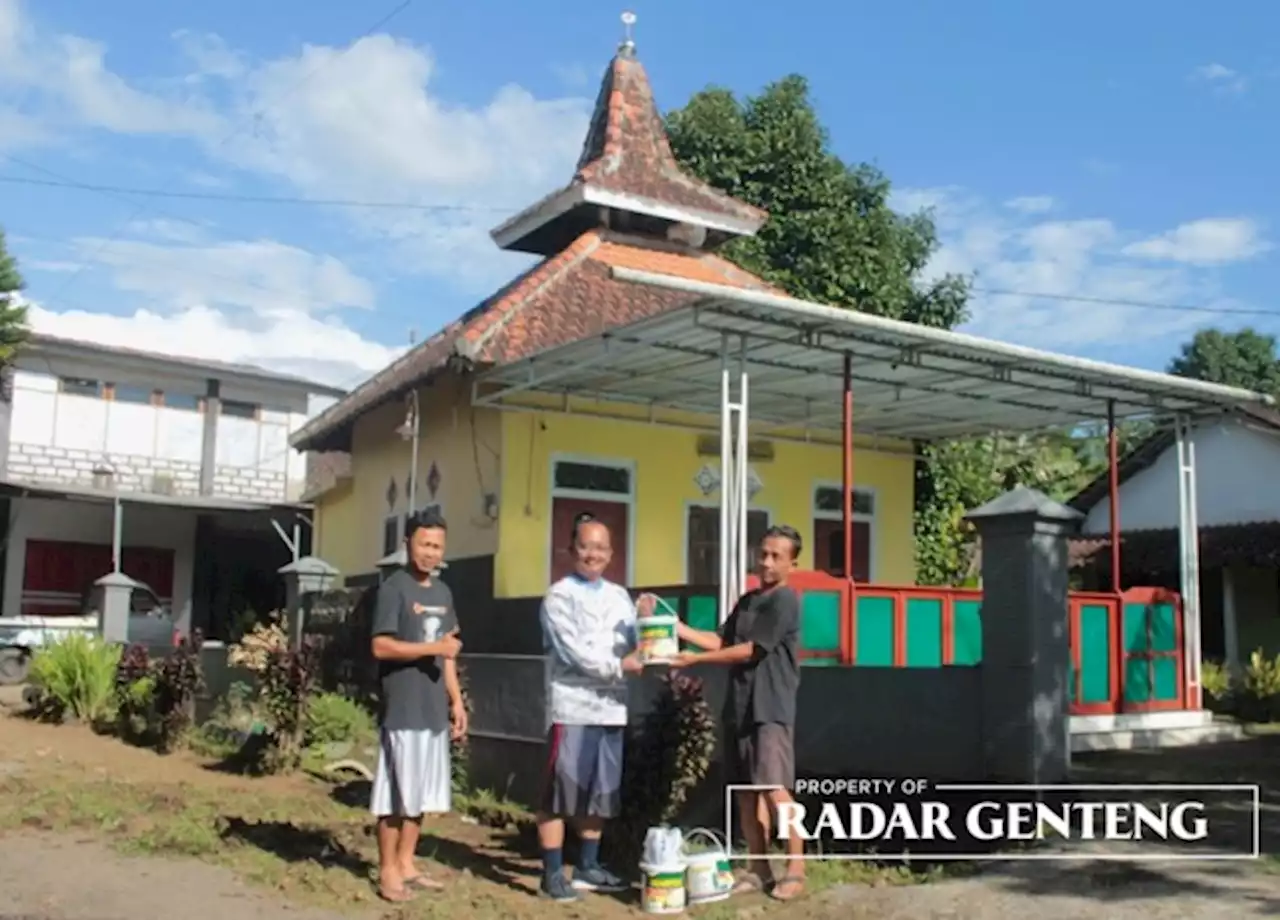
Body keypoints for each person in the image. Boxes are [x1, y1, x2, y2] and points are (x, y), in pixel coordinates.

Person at [671, 524, 805, 902]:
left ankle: (796, 867)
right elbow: (723, 641)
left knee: (775, 791)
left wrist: (697, 659)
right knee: (746, 793)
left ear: (792, 562)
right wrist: (679, 629)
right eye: (763, 553)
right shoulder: (747, 602)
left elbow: (751, 650)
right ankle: (758, 867)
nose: (766, 562)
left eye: (776, 556)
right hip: (739, 707)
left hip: (771, 708)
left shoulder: (785, 601)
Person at [536, 511, 647, 903]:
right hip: (573, 707)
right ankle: (550, 873)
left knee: (600, 792)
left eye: (601, 547)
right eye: (586, 546)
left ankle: (587, 866)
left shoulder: (619, 596)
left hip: (612, 708)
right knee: (558, 794)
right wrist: (620, 666)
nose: (593, 554)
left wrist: (650, 621)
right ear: (572, 550)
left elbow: (638, 639)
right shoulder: (558, 596)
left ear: (611, 553)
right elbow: (573, 653)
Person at [368, 509, 468, 903]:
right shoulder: (394, 588)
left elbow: (449, 655)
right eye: (425, 544)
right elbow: (380, 646)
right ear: (408, 542)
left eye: (438, 546)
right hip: (403, 708)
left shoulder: (443, 593)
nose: (431, 553)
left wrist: (456, 701)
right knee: (396, 795)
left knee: (421, 793)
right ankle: (387, 868)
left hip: (432, 710)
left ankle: (408, 863)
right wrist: (433, 648)